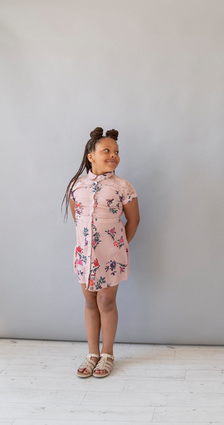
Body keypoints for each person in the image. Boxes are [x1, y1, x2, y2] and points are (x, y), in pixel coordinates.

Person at [63, 127, 140, 378]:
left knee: (106, 301)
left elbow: (134, 221)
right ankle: (92, 353)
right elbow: (79, 220)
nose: (113, 155)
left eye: (116, 151)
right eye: (106, 150)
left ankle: (107, 354)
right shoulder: (76, 185)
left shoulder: (122, 186)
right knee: (89, 301)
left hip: (111, 256)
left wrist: (118, 247)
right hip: (84, 255)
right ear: (91, 155)